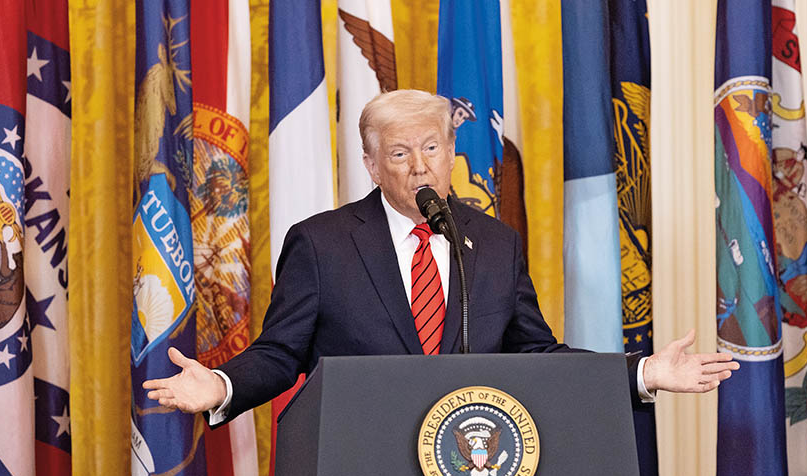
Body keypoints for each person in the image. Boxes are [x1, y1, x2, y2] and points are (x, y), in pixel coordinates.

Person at [144, 89, 737, 420]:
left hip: (474, 475)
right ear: (372, 165)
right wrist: (221, 384)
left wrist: (642, 373)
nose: (420, 166)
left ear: (452, 152)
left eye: (431, 147)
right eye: (399, 153)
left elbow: (537, 354)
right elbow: (281, 352)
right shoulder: (322, 244)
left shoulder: (496, 243)